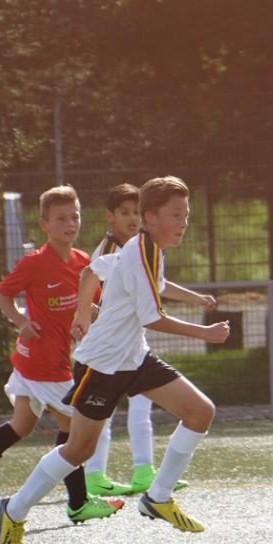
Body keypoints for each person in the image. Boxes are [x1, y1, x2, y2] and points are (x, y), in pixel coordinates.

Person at [0, 176, 231, 544]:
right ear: (151, 218)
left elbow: (92, 271)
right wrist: (206, 333)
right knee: (78, 450)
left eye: (186, 214)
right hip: (102, 364)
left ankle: (158, 497)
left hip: (133, 358)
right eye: (176, 214)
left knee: (200, 412)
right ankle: (14, 509)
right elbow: (152, 317)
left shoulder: (148, 249)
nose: (184, 222)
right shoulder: (140, 252)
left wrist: (82, 313)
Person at [0, 185, 122, 528]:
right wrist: (21, 322)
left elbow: (92, 301)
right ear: (44, 225)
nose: (70, 223)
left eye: (75, 217)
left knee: (21, 425)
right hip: (43, 363)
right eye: (61, 218)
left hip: (42, 360)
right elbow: (2, 295)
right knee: (75, 429)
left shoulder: (83, 262)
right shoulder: (34, 263)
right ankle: (78, 503)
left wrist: (91, 312)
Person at [83, 183, 186, 496]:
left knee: (142, 405)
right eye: (125, 213)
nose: (132, 218)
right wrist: (86, 314)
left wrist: (197, 298)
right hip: (109, 347)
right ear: (109, 216)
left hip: (131, 346)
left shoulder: (146, 248)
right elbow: (91, 278)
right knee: (96, 419)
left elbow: (159, 284)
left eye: (135, 212)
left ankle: (144, 470)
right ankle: (93, 475)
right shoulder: (113, 250)